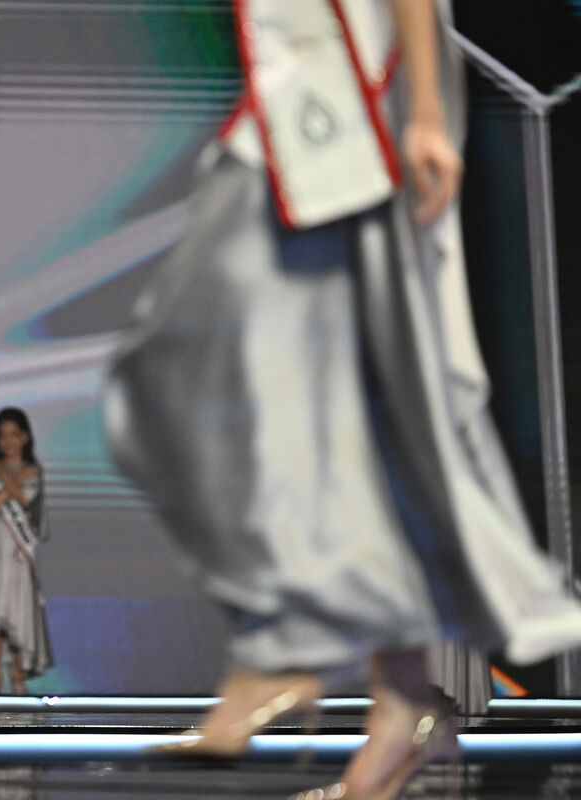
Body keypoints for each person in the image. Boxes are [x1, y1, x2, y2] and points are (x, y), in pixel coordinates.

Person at [104, 1, 581, 797]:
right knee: (360, 399)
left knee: (176, 374)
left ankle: (284, 653)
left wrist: (425, 116)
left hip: (349, 97)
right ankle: (400, 705)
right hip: (298, 93)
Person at [0, 408, 53, 694]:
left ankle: (19, 679)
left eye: (14, 434)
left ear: (25, 437)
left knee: (19, 613)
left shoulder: (33, 472)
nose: (8, 441)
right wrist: (10, 480)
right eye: (3, 435)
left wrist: (5, 479)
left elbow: (25, 499)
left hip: (20, 554)